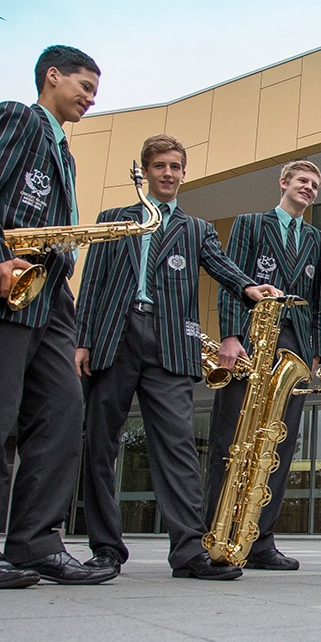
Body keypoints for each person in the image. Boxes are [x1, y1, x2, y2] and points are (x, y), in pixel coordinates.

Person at [0, 45, 115, 589]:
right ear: (52, 76)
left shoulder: (64, 153)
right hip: (7, 285)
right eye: (85, 86)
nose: (91, 99)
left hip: (52, 293)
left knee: (62, 413)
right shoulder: (17, 117)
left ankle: (37, 543)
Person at [75, 134, 259, 580]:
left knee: (177, 447)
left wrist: (249, 287)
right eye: (160, 166)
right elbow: (93, 281)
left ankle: (189, 551)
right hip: (114, 337)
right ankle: (105, 549)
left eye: (175, 166)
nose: (168, 173)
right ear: (145, 172)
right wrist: (82, 340)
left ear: (184, 173)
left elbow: (221, 265)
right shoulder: (114, 220)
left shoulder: (196, 229)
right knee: (100, 444)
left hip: (171, 343)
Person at [203, 160, 321, 570]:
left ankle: (259, 541)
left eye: (314, 185)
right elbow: (232, 283)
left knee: (278, 445)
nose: (308, 188)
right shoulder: (250, 224)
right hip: (251, 341)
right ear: (283, 183)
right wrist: (230, 336)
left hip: (296, 349)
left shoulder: (319, 240)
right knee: (231, 440)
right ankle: (214, 536)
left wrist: (315, 352)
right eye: (302, 181)